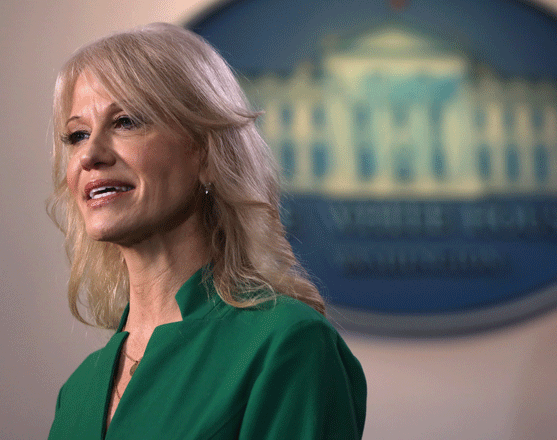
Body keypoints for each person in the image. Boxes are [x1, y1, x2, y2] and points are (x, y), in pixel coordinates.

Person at [47, 23, 366, 439]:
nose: (90, 154)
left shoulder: (286, 345)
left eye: (125, 121)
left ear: (206, 153)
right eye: (77, 135)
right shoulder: (78, 391)